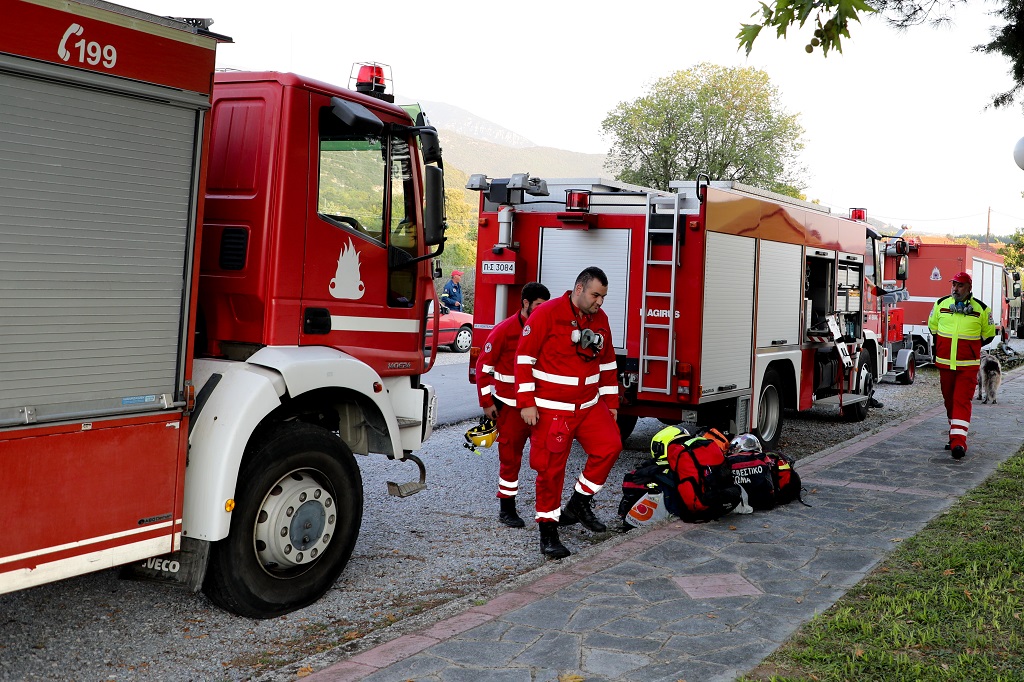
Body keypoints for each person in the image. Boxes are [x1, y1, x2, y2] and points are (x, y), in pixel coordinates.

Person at [515, 267, 622, 559]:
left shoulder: (600, 320)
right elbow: (524, 358)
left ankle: (579, 502)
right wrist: (526, 402)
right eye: (595, 294)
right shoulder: (546, 313)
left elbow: (608, 364)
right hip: (553, 410)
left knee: (610, 446)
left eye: (603, 296)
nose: (600, 301)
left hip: (589, 406)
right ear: (579, 288)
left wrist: (611, 403)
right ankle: (548, 532)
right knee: (550, 472)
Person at [475, 282, 551, 528]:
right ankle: (507, 509)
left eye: (545, 307)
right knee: (510, 459)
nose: (542, 311)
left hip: (541, 407)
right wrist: (487, 403)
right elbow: (483, 368)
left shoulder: (546, 329)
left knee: (547, 459)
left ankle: (549, 513)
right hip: (510, 408)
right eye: (538, 306)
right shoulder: (504, 330)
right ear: (525, 303)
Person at [927, 271, 996, 460]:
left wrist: (969, 349)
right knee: (949, 402)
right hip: (944, 364)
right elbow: (932, 328)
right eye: (954, 285)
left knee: (961, 401)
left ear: (969, 288)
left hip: (968, 366)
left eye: (960, 285)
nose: (955, 289)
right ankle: (954, 434)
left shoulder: (981, 309)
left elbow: (988, 335)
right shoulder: (941, 304)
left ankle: (959, 443)